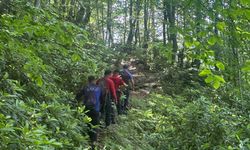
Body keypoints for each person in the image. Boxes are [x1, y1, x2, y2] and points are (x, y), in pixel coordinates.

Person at [75, 76, 102, 149]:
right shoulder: (99, 88)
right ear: (95, 80)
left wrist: (77, 104)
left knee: (86, 124)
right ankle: (93, 143)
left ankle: (85, 142)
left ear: (88, 80)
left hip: (86, 109)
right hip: (95, 109)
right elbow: (102, 98)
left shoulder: (85, 87)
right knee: (95, 126)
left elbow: (78, 96)